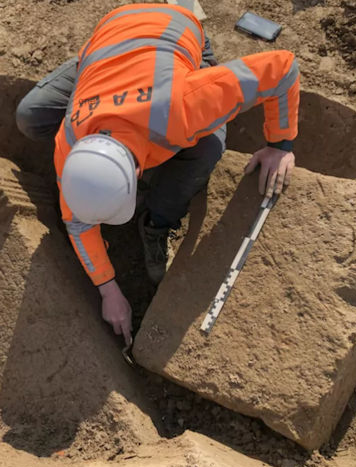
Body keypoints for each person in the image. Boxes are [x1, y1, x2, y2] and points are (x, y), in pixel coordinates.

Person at [16, 3, 299, 345]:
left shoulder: (185, 107)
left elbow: (283, 67)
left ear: (140, 170)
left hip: (173, 29)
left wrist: (280, 145)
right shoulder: (70, 142)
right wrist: (108, 290)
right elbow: (77, 223)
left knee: (209, 146)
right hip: (110, 37)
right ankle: (87, 68)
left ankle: (157, 223)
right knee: (30, 115)